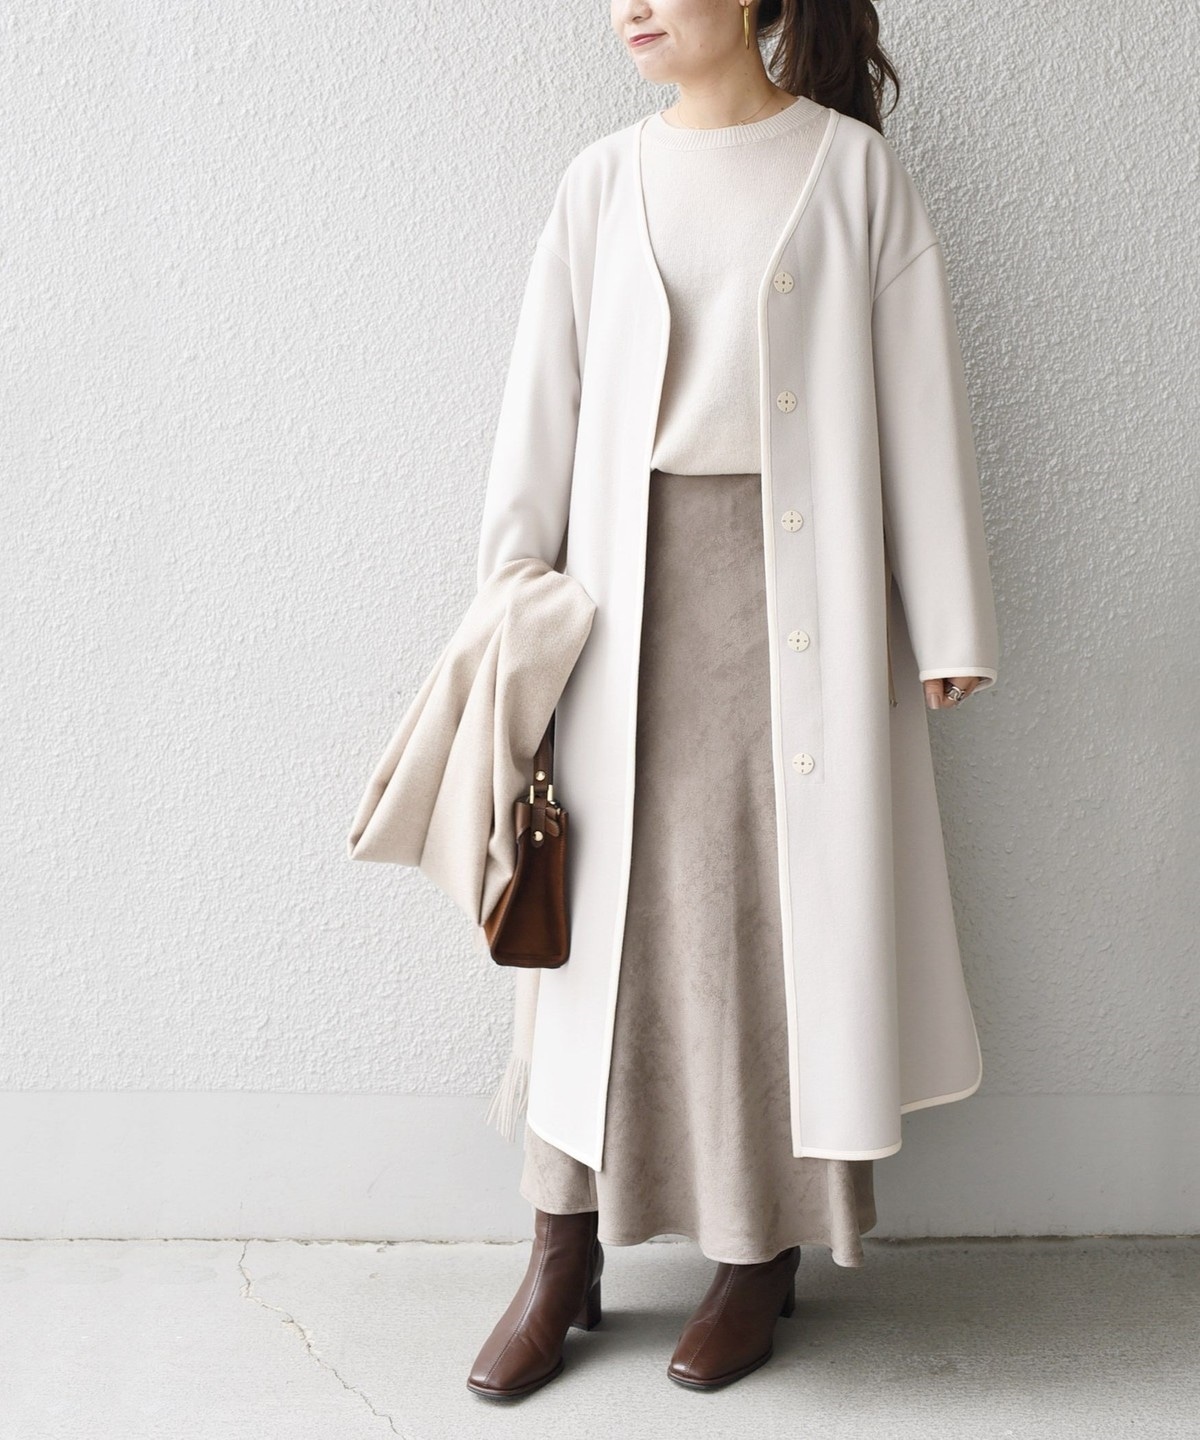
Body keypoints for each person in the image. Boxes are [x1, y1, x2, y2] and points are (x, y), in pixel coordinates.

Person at [466, 0, 999, 1400]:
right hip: (616, 607)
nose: (630, 8)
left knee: (767, 929)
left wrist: (948, 619)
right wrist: (510, 589)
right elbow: (541, 407)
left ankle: (759, 1255)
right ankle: (560, 1250)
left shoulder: (852, 172)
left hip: (800, 613)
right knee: (593, 925)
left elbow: (919, 397)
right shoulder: (599, 183)